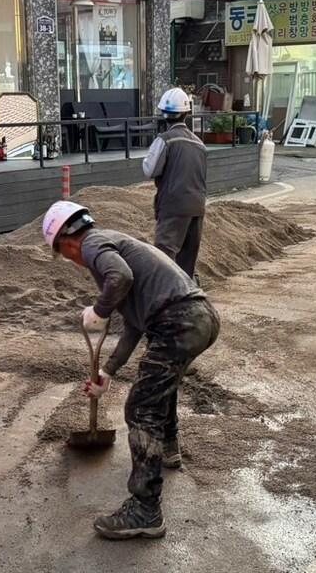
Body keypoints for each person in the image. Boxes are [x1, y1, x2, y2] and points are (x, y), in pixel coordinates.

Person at [42, 201, 221, 539]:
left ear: (67, 242)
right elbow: (135, 326)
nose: (71, 260)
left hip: (178, 320)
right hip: (199, 318)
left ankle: (145, 509)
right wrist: (108, 372)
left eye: (64, 254)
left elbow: (120, 277)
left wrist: (99, 309)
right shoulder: (115, 243)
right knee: (159, 387)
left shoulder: (94, 243)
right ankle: (168, 447)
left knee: (141, 407)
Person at [142, 87, 208, 278]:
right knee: (187, 260)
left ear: (164, 114)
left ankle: (164, 300)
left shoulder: (165, 140)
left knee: (164, 256)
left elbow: (150, 169)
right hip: (197, 207)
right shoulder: (200, 144)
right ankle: (188, 298)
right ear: (187, 113)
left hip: (173, 206)